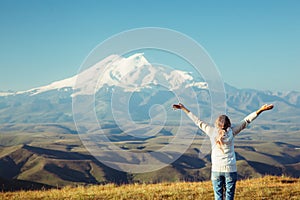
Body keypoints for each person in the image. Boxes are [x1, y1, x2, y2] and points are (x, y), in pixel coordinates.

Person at [172, 103, 274, 200]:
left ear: (216, 124)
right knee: (229, 197)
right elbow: (247, 120)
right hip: (230, 169)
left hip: (216, 169)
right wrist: (261, 110)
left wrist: (183, 108)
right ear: (229, 124)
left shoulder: (211, 132)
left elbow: (198, 121)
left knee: (218, 197)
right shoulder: (232, 132)